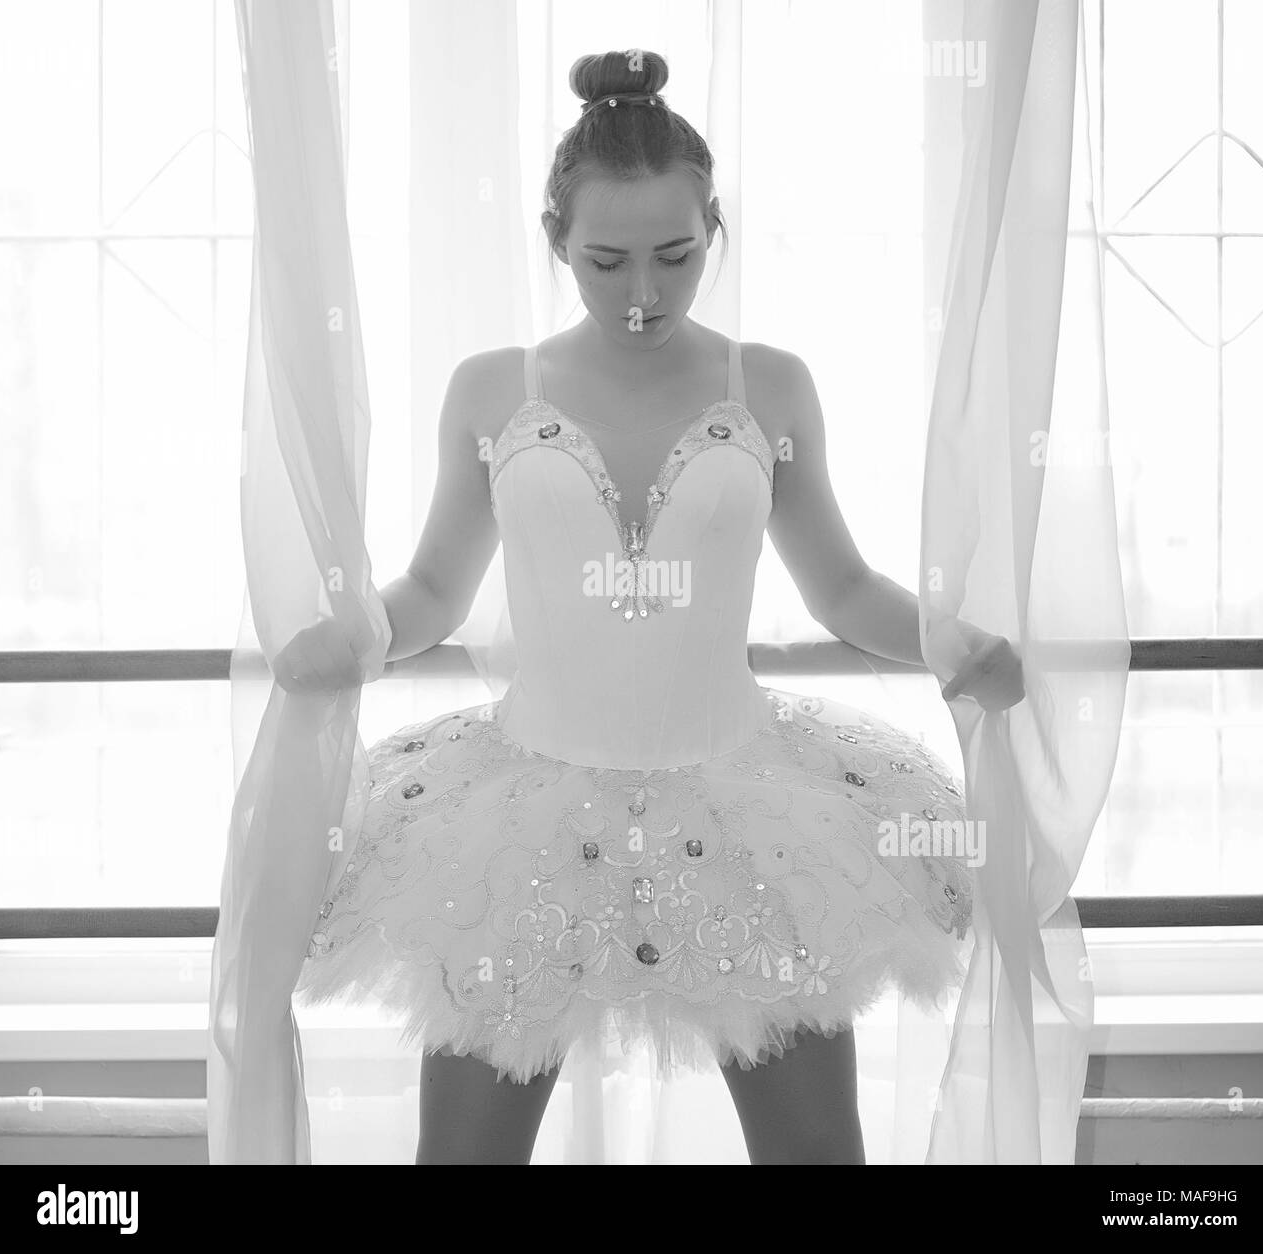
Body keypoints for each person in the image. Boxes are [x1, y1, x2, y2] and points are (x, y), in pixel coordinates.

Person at [280, 49, 1022, 1165]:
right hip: (515, 818)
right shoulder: (493, 389)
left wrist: (949, 641)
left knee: (819, 1156)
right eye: (605, 261)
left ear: (713, 229)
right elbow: (435, 589)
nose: (642, 295)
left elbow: (842, 589)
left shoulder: (768, 385)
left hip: (749, 813)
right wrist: (358, 638)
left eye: (675, 257)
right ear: (553, 242)